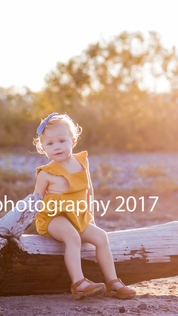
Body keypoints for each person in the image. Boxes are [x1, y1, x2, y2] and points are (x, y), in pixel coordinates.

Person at [32, 113, 137, 300]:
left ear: (73, 141)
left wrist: (91, 217)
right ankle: (79, 283)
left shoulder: (82, 162)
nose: (57, 146)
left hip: (78, 215)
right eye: (50, 144)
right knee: (73, 237)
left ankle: (112, 282)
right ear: (43, 148)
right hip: (52, 217)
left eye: (62, 141)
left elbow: (89, 191)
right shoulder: (46, 173)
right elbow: (34, 201)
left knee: (101, 237)